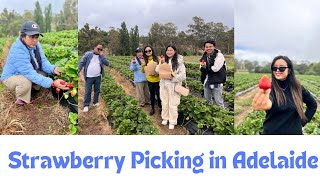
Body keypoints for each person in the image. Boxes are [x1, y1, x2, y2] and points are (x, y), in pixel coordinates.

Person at [0, 21, 68, 105]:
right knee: (25, 82)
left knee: (43, 73)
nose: (35, 40)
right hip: (11, 76)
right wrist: (53, 83)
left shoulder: (36, 44)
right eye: (31, 37)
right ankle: (21, 101)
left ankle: (32, 91)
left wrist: (53, 69)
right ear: (23, 36)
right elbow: (30, 73)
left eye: (37, 37)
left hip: (25, 72)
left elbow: (43, 61)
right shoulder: (18, 50)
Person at [252, 55, 317, 135]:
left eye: (281, 68)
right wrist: (266, 103)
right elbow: (269, 99)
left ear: (289, 70)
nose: (277, 70)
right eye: (274, 68)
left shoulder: (298, 88)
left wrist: (302, 122)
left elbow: (313, 104)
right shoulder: (270, 88)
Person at [156, 45, 186, 130]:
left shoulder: (179, 62)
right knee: (164, 101)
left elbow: (183, 75)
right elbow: (157, 71)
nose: (169, 52)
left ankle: (172, 121)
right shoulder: (163, 60)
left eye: (171, 50)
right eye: (168, 50)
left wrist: (173, 78)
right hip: (163, 84)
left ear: (175, 51)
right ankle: (165, 117)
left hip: (174, 85)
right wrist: (161, 63)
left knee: (173, 103)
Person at [78, 43, 109, 112]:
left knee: (97, 90)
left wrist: (102, 56)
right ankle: (86, 105)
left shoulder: (101, 56)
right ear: (94, 48)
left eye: (101, 49)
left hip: (97, 76)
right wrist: (78, 70)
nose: (99, 50)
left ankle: (95, 102)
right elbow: (82, 62)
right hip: (89, 77)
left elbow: (107, 63)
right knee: (88, 91)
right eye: (98, 49)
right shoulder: (88, 54)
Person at [200, 40, 226, 108]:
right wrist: (203, 68)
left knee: (218, 101)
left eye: (210, 46)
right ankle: (210, 114)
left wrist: (205, 68)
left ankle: (222, 116)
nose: (208, 48)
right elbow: (201, 68)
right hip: (207, 81)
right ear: (204, 48)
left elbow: (215, 69)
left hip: (216, 81)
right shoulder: (204, 56)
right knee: (207, 100)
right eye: (206, 47)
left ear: (214, 47)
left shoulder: (219, 55)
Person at [140, 45, 161, 115]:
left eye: (149, 50)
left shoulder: (157, 59)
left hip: (158, 80)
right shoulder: (145, 60)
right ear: (144, 52)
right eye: (146, 51)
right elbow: (143, 71)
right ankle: (152, 108)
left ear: (152, 51)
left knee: (159, 94)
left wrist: (156, 74)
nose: (148, 52)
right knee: (151, 94)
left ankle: (160, 107)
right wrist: (143, 64)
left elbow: (161, 69)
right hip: (150, 80)